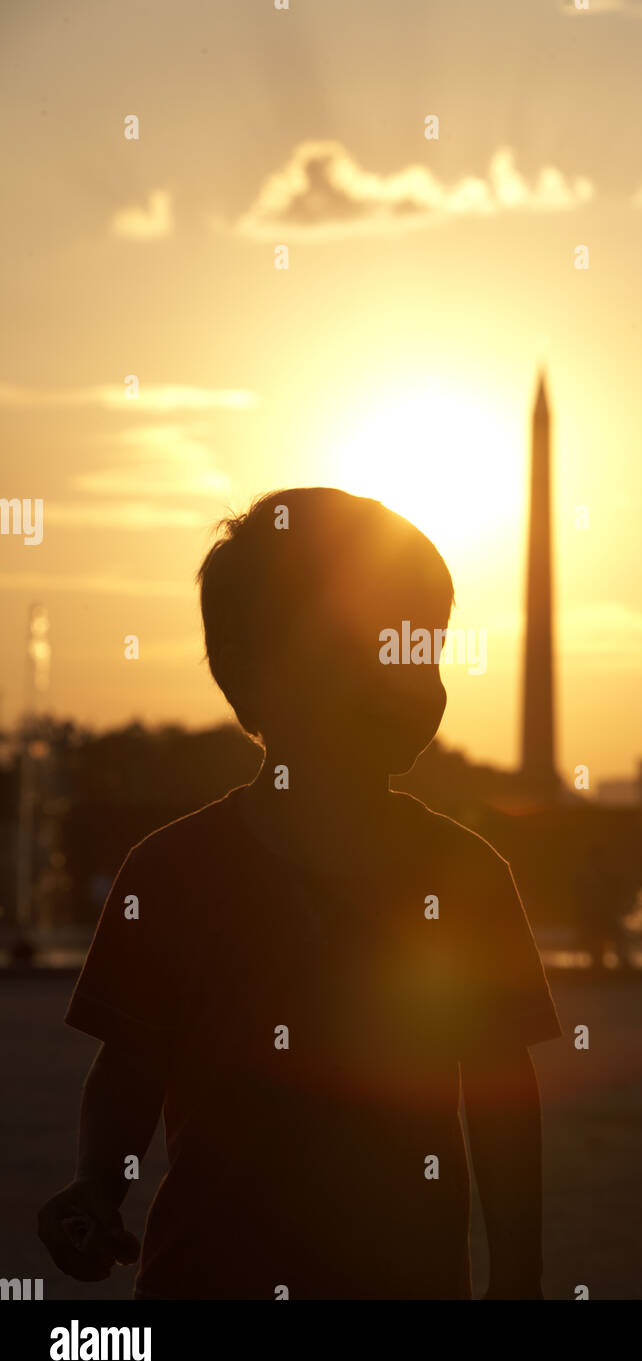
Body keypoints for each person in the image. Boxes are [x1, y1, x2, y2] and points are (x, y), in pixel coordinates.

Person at [37, 487, 562, 1300]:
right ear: (260, 677)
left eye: (425, 651)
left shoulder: (463, 876)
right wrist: (97, 1185)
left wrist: (521, 1279)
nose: (414, 680)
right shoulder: (170, 874)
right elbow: (129, 1068)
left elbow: (501, 1095)